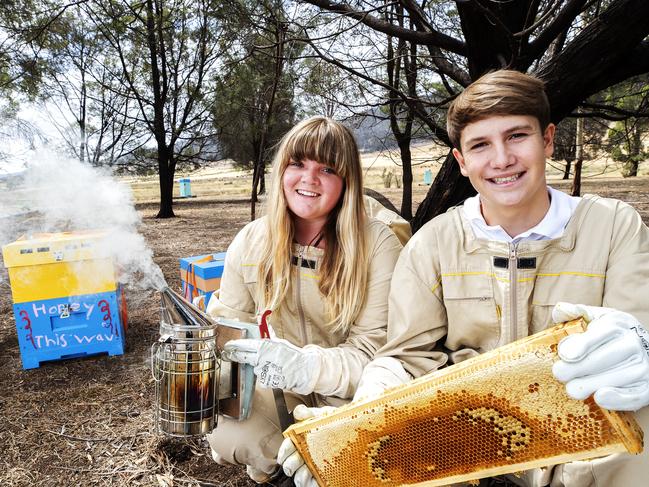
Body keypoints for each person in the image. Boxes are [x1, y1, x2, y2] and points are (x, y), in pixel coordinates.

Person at [279, 70, 649, 486]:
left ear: (547, 140)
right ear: (461, 161)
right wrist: (354, 428)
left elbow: (638, 328)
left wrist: (639, 344)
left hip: (587, 441)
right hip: (468, 443)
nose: (501, 159)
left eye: (516, 137)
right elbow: (404, 358)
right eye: (480, 145)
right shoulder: (433, 243)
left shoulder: (615, 226)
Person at [204, 116, 404, 483]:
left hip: (353, 394)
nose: (309, 179)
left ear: (347, 182)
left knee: (362, 461)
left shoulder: (378, 243)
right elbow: (227, 329)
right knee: (226, 428)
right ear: (281, 170)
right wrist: (201, 368)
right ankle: (284, 473)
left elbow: (378, 352)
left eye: (327, 168)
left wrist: (307, 367)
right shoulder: (251, 240)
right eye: (297, 164)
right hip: (279, 392)